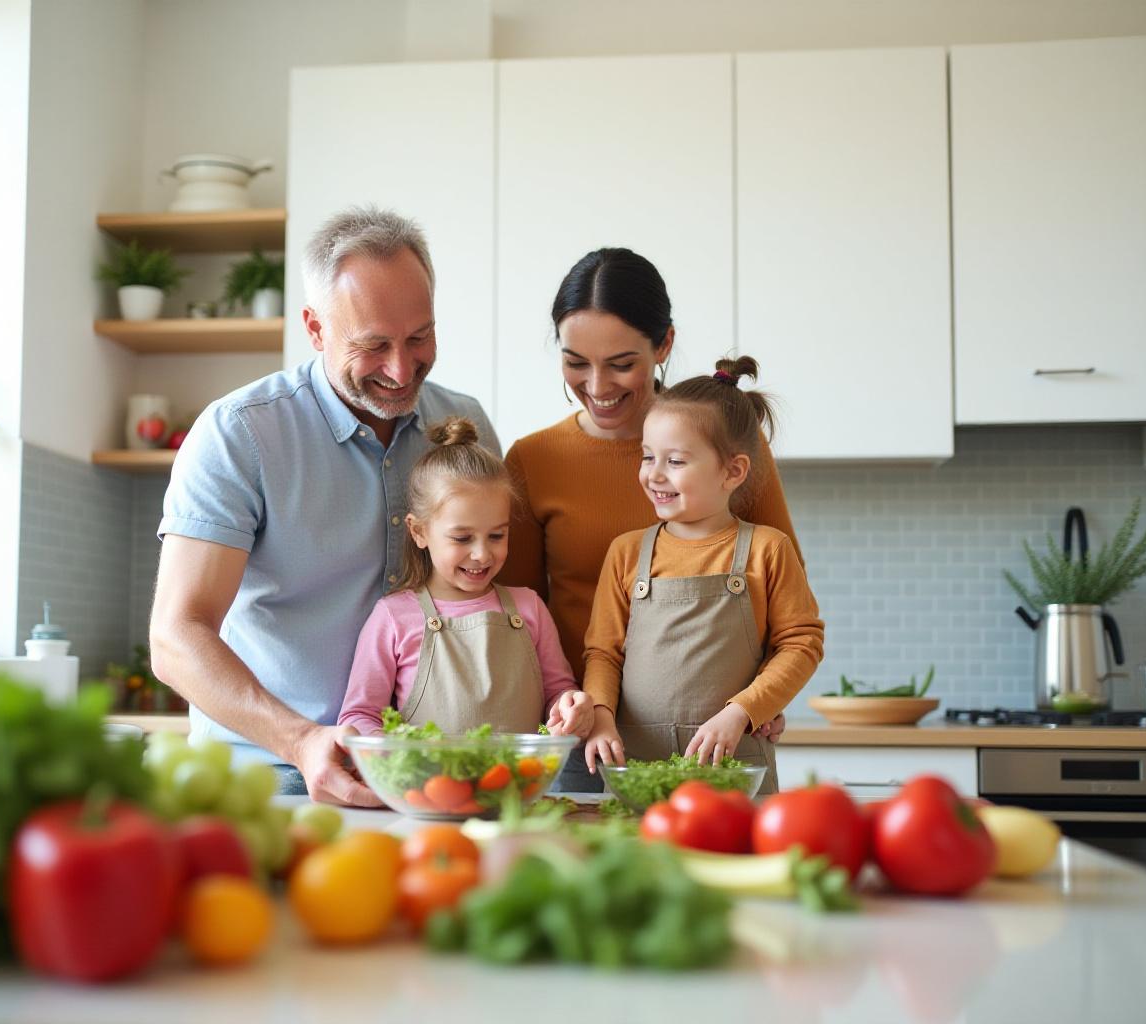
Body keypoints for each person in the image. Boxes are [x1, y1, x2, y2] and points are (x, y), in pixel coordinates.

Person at [149, 207, 499, 804]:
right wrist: (301, 741)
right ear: (315, 329)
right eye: (373, 346)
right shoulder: (241, 435)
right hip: (267, 776)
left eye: (419, 337)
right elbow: (176, 637)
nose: (399, 367)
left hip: (428, 777)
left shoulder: (464, 427)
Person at [499, 248, 797, 788]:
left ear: (663, 344)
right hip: (586, 740)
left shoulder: (730, 445)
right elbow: (515, 619)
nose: (596, 385)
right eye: (575, 362)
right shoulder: (531, 461)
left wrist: (757, 702)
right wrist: (572, 710)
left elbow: (785, 612)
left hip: (717, 737)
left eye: (621, 363)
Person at [581, 356, 825, 796]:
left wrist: (745, 711)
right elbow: (603, 653)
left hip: (733, 762)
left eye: (674, 460)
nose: (654, 474)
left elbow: (802, 643)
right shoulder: (626, 553)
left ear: (733, 471)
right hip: (634, 765)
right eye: (648, 456)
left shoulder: (768, 550)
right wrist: (600, 718)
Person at [338, 417, 593, 739]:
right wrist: (390, 753)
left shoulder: (529, 608)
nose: (482, 554)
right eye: (462, 538)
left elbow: (558, 692)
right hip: (426, 787)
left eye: (497, 535)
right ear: (419, 531)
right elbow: (359, 714)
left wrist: (569, 707)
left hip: (516, 787)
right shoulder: (394, 617)